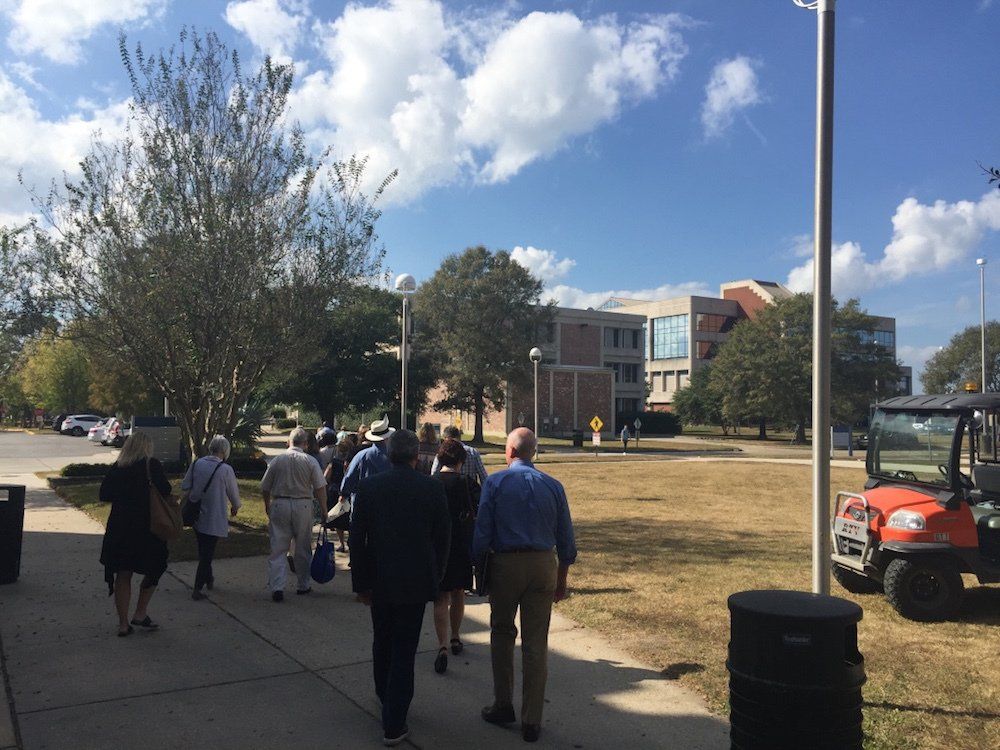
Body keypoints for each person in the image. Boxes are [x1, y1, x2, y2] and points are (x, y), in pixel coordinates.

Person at [473, 428, 577, 744]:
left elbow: (482, 534)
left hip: (506, 564)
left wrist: (479, 571)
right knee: (536, 642)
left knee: (502, 633)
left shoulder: (495, 483)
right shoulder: (553, 486)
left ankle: (503, 704)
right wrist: (561, 579)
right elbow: (567, 540)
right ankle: (532, 719)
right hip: (544, 564)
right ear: (532, 452)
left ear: (510, 451)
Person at [351, 430, 450, 747]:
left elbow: (357, 540)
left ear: (389, 453)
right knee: (404, 650)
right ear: (416, 455)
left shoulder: (369, 487)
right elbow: (443, 539)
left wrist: (360, 583)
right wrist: (436, 577)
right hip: (415, 582)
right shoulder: (431, 488)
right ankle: (394, 721)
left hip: (379, 581)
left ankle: (386, 697)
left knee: (382, 641)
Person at [99, 431, 171, 637]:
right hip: (147, 529)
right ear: (147, 447)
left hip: (120, 528)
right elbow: (165, 490)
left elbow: (104, 494)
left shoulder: (118, 467)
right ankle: (140, 612)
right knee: (156, 567)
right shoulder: (151, 466)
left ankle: (123, 624)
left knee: (123, 573)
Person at [260, 427, 328, 602]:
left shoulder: (277, 460)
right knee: (303, 547)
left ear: (288, 442)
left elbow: (265, 486)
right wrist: (324, 509)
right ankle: (303, 584)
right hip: (303, 504)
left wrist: (267, 505)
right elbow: (320, 487)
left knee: (278, 547)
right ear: (305, 444)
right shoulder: (310, 461)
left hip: (280, 503)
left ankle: (277, 586)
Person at [430, 438, 480, 675]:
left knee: (440, 597)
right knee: (458, 593)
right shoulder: (467, 483)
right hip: (460, 545)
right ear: (461, 460)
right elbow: (480, 510)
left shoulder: (430, 483)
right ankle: (456, 637)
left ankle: (441, 645)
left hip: (436, 546)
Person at [181, 435, 242, 601]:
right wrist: (235, 507)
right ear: (225, 450)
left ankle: (208, 578)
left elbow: (185, 485)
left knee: (204, 549)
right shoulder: (225, 469)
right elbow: (233, 494)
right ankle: (198, 587)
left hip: (195, 514)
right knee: (207, 553)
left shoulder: (197, 464)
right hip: (214, 516)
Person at [338, 416, 394, 510]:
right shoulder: (395, 457)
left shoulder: (361, 456)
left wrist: (343, 494)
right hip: (388, 505)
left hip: (363, 505)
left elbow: (349, 478)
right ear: (387, 437)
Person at [324, 438, 353, 552]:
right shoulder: (353, 461)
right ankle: (351, 541)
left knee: (338, 519)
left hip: (335, 491)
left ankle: (341, 544)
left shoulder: (334, 462)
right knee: (349, 518)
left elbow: (326, 477)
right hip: (349, 491)